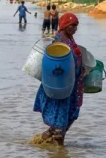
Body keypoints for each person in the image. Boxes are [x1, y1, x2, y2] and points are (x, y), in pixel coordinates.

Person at [34, 12, 85, 146]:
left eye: (76, 25)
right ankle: (60, 151)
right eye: (73, 25)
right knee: (60, 120)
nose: (75, 29)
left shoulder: (69, 40)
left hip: (72, 86)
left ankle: (42, 141)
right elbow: (57, 64)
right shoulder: (59, 41)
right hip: (61, 87)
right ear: (65, 25)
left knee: (71, 115)